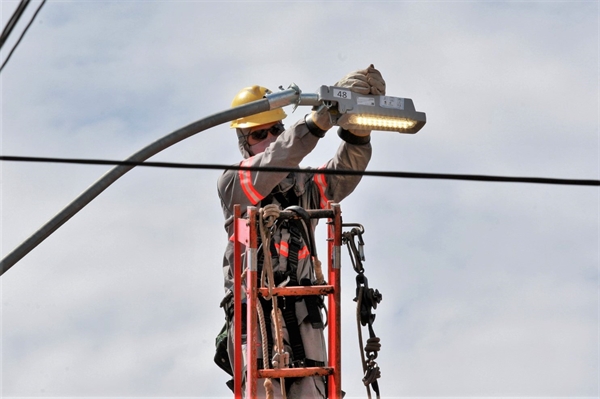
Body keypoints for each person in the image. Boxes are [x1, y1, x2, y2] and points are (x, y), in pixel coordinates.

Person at [216, 65, 386, 398]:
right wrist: (316, 123)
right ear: (243, 143)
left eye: (276, 129)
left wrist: (357, 133)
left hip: (303, 311)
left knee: (314, 390)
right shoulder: (234, 183)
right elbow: (275, 161)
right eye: (258, 134)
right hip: (256, 315)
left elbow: (340, 177)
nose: (270, 139)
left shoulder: (302, 188)